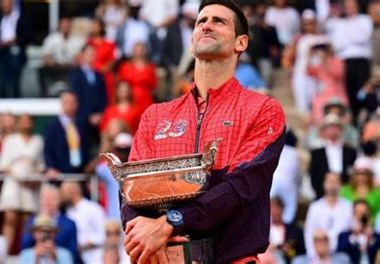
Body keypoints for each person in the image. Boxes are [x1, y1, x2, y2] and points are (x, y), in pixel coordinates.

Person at [120, 0, 286, 263]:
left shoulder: (263, 110)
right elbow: (131, 192)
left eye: (219, 21)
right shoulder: (155, 116)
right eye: (201, 21)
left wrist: (171, 223)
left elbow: (239, 188)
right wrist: (142, 232)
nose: (207, 25)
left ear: (240, 43)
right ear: (192, 40)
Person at [0, 114, 45, 249]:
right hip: (13, 183)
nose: (25, 124)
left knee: (27, 220)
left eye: (28, 121)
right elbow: (3, 165)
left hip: (30, 184)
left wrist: (33, 180)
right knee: (10, 217)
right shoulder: (10, 140)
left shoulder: (38, 140)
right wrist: (18, 177)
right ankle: (5, 251)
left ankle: (25, 250)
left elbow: (40, 165)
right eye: (22, 121)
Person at [21, 184, 79, 263]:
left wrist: (55, 254)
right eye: (45, 198)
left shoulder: (69, 224)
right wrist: (36, 255)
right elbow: (25, 244)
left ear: (59, 201)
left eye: (52, 199)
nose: (48, 202)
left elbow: (73, 251)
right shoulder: (31, 221)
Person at [304, 172, 353, 257]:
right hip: (318, 254)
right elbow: (308, 232)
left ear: (340, 184)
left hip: (341, 254)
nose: (332, 185)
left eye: (335, 182)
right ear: (324, 184)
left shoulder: (348, 206)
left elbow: (351, 230)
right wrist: (312, 255)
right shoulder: (315, 207)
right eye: (330, 181)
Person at [309, 113, 357, 198]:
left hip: (346, 193)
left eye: (335, 127)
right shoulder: (317, 154)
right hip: (323, 194)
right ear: (324, 131)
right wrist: (322, 194)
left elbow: (353, 174)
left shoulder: (351, 152)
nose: (332, 130)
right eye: (329, 127)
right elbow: (314, 176)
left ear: (341, 130)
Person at [44, 90, 89, 176]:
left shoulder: (82, 125)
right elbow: (48, 150)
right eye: (67, 102)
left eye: (73, 102)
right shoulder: (52, 126)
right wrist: (50, 167)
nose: (71, 105)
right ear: (62, 104)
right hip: (58, 174)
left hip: (79, 173)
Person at [61, 181, 106, 264]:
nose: (62, 196)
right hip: (76, 258)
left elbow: (103, 234)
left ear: (73, 191)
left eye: (63, 192)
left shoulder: (92, 208)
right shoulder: (68, 212)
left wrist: (83, 246)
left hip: (94, 257)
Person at [39, 17, 85, 97]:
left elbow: (80, 56)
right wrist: (53, 63)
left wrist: (74, 62)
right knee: (42, 70)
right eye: (64, 26)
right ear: (60, 26)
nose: (65, 28)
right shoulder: (52, 39)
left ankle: (76, 94)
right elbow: (45, 56)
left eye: (67, 26)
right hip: (55, 67)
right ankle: (45, 95)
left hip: (71, 67)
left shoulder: (78, 40)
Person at [0, 0, 29, 98]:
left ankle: (16, 107)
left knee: (15, 84)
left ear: (12, 5)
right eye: (3, 6)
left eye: (7, 6)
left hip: (16, 54)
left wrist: (15, 41)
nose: (5, 8)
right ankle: (1, 108)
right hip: (2, 53)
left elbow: (27, 37)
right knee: (2, 83)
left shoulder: (19, 18)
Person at [337, 199, 380, 263]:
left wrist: (369, 240)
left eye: (363, 213)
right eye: (357, 212)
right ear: (353, 215)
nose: (360, 216)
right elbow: (341, 255)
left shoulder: (377, 237)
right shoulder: (344, 236)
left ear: (369, 215)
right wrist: (354, 236)